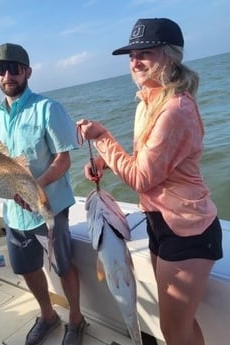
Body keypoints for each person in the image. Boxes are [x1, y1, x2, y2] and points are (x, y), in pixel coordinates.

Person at [77, 18, 223, 345]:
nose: (135, 61)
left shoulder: (175, 108)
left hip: (188, 230)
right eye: (131, 54)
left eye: (146, 52)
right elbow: (148, 160)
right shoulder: (149, 99)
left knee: (173, 330)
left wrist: (101, 138)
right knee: (178, 326)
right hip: (160, 223)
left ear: (170, 56)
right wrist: (105, 162)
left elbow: (142, 178)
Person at [0, 43, 87, 345]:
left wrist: (36, 186)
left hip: (49, 207)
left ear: (27, 71)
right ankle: (48, 315)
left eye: (14, 68)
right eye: (0, 69)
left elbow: (64, 158)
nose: (7, 75)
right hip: (14, 213)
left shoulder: (48, 108)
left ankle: (76, 319)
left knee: (63, 265)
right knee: (27, 268)